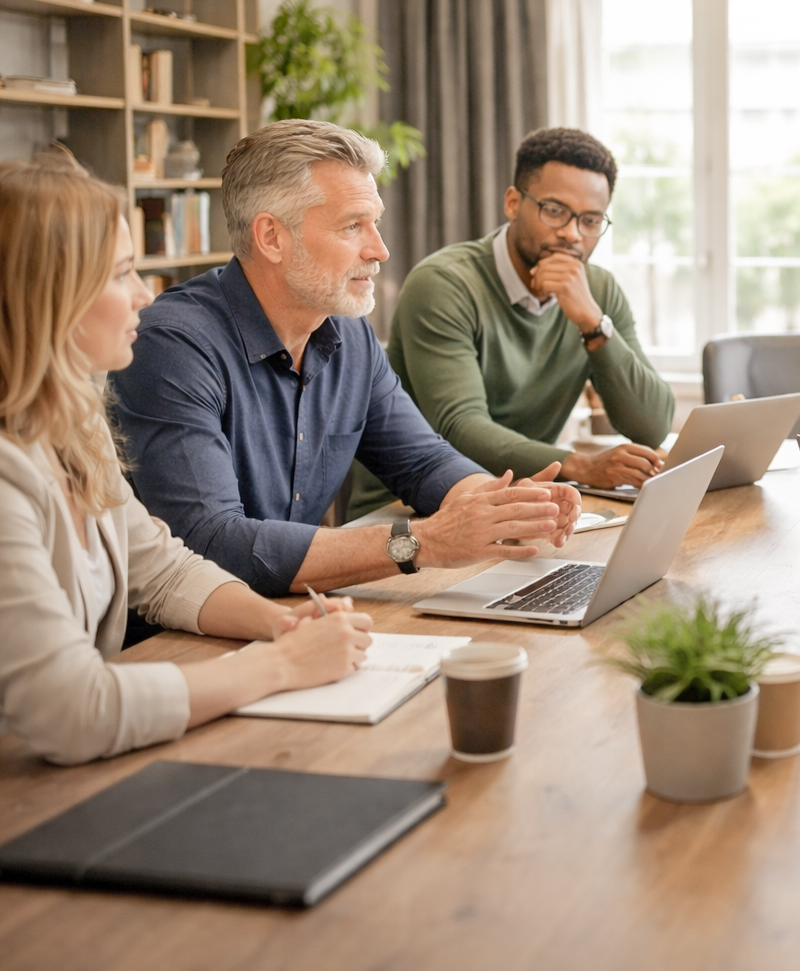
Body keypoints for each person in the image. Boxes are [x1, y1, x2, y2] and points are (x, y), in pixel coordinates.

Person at [0, 155, 374, 766]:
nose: (144, 296)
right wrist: (278, 666)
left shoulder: (71, 422)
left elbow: (163, 570)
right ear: (46, 297)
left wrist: (280, 626)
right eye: (121, 274)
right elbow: (71, 710)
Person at [110, 120, 580, 598]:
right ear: (272, 237)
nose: (380, 249)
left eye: (373, 223)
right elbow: (211, 543)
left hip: (298, 618)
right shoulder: (172, 346)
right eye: (353, 225)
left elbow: (421, 461)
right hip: (178, 645)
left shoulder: (347, 332)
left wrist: (503, 508)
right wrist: (421, 543)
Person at [348, 126, 674, 519]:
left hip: (522, 501)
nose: (572, 234)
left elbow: (652, 426)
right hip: (409, 513)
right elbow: (460, 426)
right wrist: (581, 466)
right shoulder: (444, 284)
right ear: (513, 202)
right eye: (554, 211)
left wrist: (592, 322)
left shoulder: (596, 291)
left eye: (590, 220)